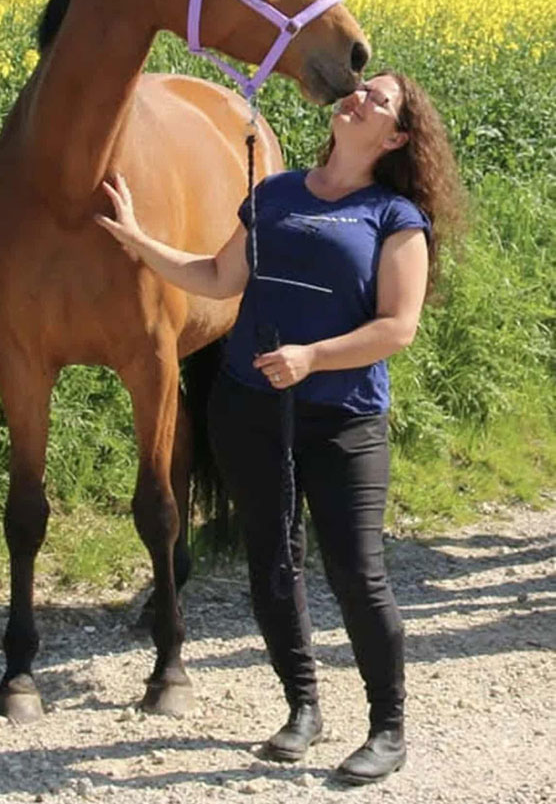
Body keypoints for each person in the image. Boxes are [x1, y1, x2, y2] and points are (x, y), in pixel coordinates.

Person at [96, 70, 464, 784]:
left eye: (379, 99)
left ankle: (387, 728)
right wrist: (139, 240)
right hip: (250, 411)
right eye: (361, 89)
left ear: (396, 137)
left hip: (343, 419)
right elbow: (216, 277)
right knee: (271, 564)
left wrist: (312, 357)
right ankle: (302, 707)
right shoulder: (274, 193)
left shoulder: (394, 218)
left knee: (356, 572)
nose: (358, 96)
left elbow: (398, 327)